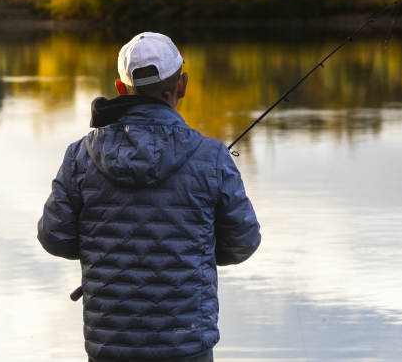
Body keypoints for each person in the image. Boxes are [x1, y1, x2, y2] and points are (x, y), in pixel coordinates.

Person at [37, 32, 261, 362]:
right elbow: (244, 241)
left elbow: (53, 236)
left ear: (120, 88)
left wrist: (104, 249)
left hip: (110, 345)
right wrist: (190, 251)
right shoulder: (211, 156)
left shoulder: (80, 156)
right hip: (187, 344)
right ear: (182, 86)